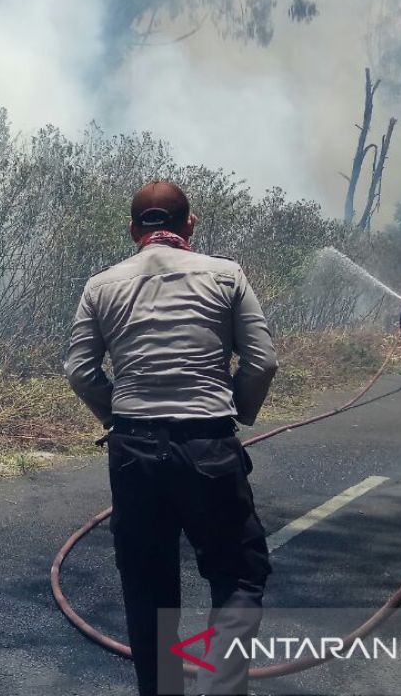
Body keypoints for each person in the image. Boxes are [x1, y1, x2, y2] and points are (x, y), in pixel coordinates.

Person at [64, 182, 279, 696]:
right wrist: (237, 409)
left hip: (134, 452)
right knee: (239, 575)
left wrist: (117, 416)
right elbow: (262, 361)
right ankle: (222, 686)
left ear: (132, 229)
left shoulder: (101, 286)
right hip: (208, 444)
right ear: (190, 224)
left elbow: (79, 370)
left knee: (148, 591)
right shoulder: (226, 276)